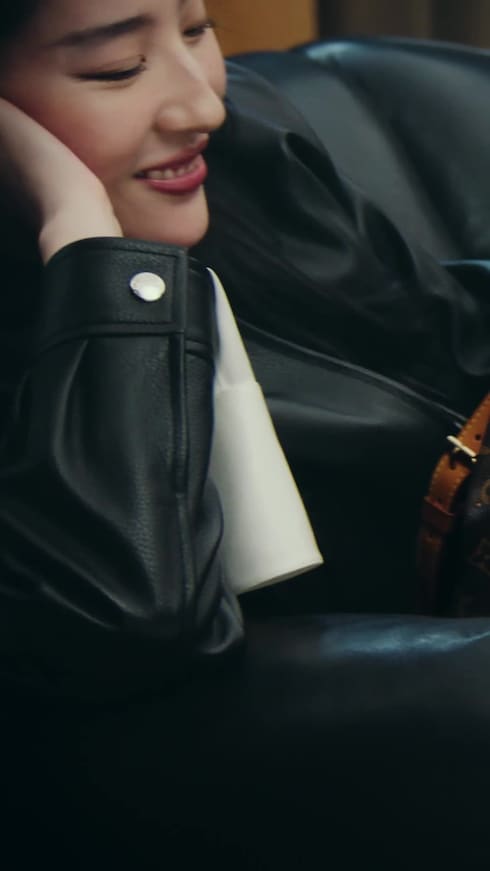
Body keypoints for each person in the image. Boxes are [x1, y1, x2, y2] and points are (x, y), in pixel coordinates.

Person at [1, 2, 490, 870]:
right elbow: (128, 614)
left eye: (199, 29)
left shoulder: (241, 152)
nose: (204, 104)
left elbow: (446, 334)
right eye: (117, 67)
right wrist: (86, 244)